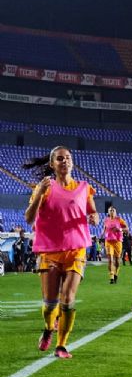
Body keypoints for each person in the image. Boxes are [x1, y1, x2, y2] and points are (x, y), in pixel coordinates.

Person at [23, 146, 99, 359]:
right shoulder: (44, 188)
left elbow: (93, 212)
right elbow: (29, 218)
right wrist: (38, 194)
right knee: (50, 304)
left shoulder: (84, 188)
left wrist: (94, 218)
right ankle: (48, 328)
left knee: (68, 298)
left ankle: (62, 345)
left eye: (67, 158)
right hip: (50, 252)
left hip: (76, 250)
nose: (64, 161)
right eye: (59, 159)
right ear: (52, 164)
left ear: (72, 162)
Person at [102, 207, 128, 284]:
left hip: (117, 242)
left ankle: (116, 273)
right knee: (110, 259)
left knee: (116, 260)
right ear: (108, 212)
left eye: (113, 210)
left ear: (116, 212)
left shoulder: (119, 220)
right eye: (110, 210)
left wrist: (119, 229)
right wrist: (102, 233)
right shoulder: (106, 220)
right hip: (108, 241)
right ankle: (111, 276)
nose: (112, 211)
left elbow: (127, 229)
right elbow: (105, 228)